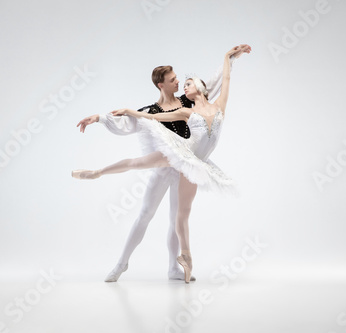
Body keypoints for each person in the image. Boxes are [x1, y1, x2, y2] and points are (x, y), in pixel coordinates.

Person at [73, 46, 247, 282]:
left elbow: (212, 87)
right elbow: (128, 123)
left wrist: (230, 59)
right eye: (173, 80)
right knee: (145, 214)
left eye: (179, 79)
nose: (178, 83)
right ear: (161, 85)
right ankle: (121, 264)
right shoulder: (152, 110)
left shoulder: (188, 102)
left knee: (177, 218)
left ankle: (173, 268)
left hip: (185, 168)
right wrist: (100, 118)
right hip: (164, 167)